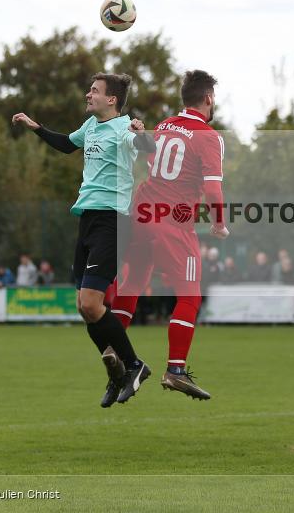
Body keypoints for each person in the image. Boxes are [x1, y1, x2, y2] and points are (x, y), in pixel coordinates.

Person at [13, 71, 156, 408]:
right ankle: (118, 371)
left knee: (92, 304)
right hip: (88, 219)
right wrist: (37, 128)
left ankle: (134, 365)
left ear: (112, 100)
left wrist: (142, 132)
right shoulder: (90, 126)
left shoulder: (124, 129)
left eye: (94, 90)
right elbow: (67, 145)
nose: (88, 94)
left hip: (113, 221)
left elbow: (147, 148)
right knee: (85, 307)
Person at [118, 69, 229, 401]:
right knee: (190, 297)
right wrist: (219, 223)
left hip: (141, 212)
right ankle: (175, 370)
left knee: (133, 283)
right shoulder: (208, 135)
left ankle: (113, 351)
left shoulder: (164, 125)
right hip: (172, 222)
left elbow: (152, 161)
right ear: (208, 98)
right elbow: (212, 188)